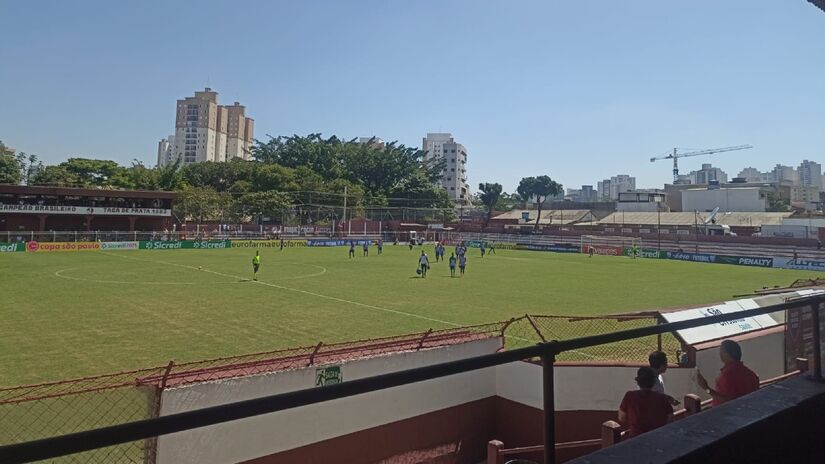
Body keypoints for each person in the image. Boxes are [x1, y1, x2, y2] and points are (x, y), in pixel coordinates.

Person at [697, 339, 759, 407]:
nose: (719, 354)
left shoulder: (728, 375)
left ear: (727, 354)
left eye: (721, 351)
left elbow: (729, 401)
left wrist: (706, 388)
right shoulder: (751, 374)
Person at [618, 367, 674, 438]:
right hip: (657, 437)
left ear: (638, 381)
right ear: (653, 381)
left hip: (636, 437)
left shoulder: (629, 396)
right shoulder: (662, 398)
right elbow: (670, 418)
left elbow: (622, 418)